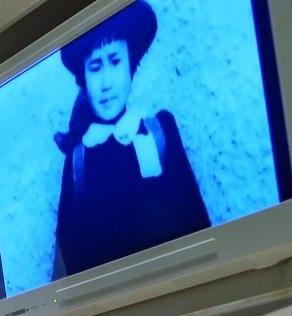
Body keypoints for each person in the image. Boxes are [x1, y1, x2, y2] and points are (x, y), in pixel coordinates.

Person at [52, 0, 210, 279]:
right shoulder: (78, 157)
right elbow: (71, 261)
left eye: (115, 62)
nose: (106, 83)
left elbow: (198, 227)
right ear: (84, 79)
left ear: (130, 66)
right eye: (95, 67)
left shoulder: (159, 131)